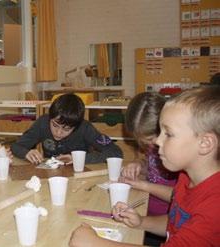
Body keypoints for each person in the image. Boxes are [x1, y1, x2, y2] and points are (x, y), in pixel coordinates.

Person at [69, 87, 220, 247]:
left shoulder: (215, 204)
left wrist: (97, 244)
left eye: (168, 134)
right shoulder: (187, 178)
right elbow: (177, 223)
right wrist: (141, 222)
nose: (157, 141)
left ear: (205, 143)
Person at [11, 93, 123, 165]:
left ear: (76, 126)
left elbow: (115, 152)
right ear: (50, 118)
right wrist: (26, 152)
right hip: (51, 176)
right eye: (55, 125)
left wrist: (78, 159)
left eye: (66, 129)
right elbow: (16, 146)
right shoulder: (43, 123)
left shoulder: (85, 128)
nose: (58, 133)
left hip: (80, 175)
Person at [121, 92, 177, 216]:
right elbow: (151, 165)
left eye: (150, 138)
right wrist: (139, 164)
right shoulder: (153, 145)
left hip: (165, 219)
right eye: (141, 140)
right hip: (145, 210)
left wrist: (144, 186)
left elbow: (182, 197)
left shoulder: (178, 154)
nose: (149, 144)